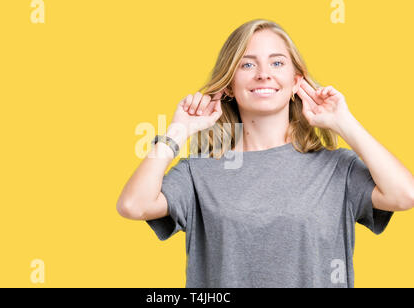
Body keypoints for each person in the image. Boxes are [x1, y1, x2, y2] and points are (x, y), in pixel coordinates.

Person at [116, 19, 414, 288]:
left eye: (277, 63)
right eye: (247, 65)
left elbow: (404, 195)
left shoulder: (338, 168)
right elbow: (133, 205)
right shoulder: (198, 173)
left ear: (297, 80)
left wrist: (344, 123)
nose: (263, 75)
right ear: (230, 85)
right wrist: (179, 131)